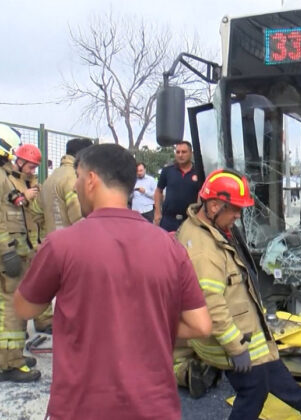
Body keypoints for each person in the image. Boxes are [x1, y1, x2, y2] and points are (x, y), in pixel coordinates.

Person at [13, 144, 212, 419]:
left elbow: (25, 309)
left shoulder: (61, 245)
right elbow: (201, 325)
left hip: (81, 408)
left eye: (79, 178)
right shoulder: (170, 246)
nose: (77, 187)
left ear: (91, 180)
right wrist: (146, 323)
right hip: (155, 407)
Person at [177, 168, 301, 420]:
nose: (238, 216)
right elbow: (212, 307)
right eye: (234, 209)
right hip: (233, 337)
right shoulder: (203, 252)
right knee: (254, 389)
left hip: (244, 327)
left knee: (268, 364)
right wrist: (237, 349)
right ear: (214, 205)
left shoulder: (205, 229)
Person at [0, 125, 44, 382]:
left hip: (17, 252)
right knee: (11, 310)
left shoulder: (11, 178)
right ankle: (11, 364)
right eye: (29, 166)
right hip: (9, 255)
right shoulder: (4, 178)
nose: (32, 171)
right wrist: (6, 252)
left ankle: (9, 357)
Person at [40, 138, 93, 235]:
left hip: (52, 240)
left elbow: (36, 212)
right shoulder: (74, 177)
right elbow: (79, 217)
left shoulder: (50, 178)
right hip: (71, 242)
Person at [154, 141, 203, 231]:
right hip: (168, 220)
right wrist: (157, 212)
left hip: (190, 220)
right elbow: (158, 191)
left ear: (191, 153)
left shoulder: (199, 172)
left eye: (184, 152)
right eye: (178, 152)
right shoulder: (167, 170)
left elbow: (202, 194)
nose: (180, 155)